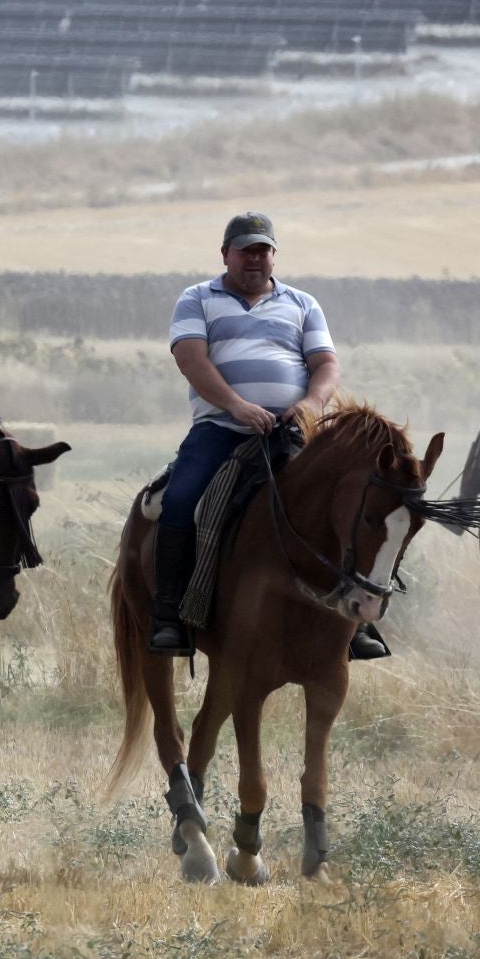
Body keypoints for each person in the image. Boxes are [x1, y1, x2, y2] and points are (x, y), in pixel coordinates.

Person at [150, 212, 385, 659]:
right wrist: (235, 405)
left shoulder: (302, 304)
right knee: (179, 499)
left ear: (274, 255)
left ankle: (354, 622)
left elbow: (326, 364)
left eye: (263, 251)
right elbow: (191, 359)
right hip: (220, 429)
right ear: (226, 254)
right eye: (245, 251)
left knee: (347, 503)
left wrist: (312, 403)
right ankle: (168, 616)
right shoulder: (197, 298)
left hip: (292, 430)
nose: (254, 259)